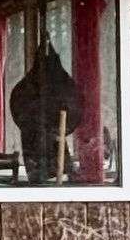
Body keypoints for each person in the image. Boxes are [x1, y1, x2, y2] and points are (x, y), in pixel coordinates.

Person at [7, 42, 81, 184]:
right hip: (35, 126)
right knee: (38, 144)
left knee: (52, 143)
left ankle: (49, 171)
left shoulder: (58, 82)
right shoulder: (29, 86)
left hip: (52, 125)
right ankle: (39, 174)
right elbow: (20, 103)